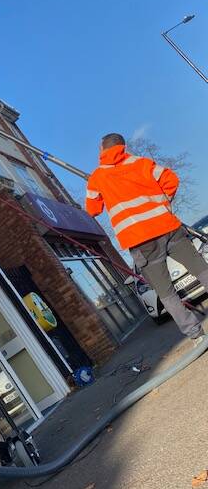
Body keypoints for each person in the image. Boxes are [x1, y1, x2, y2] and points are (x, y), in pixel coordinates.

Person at [85, 132, 208, 343]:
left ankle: (196, 335)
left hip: (142, 243)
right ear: (122, 146)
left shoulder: (97, 177)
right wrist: (163, 204)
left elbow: (92, 209)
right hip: (169, 228)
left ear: (102, 149)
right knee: (201, 270)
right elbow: (171, 179)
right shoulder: (142, 163)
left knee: (166, 292)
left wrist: (103, 190)